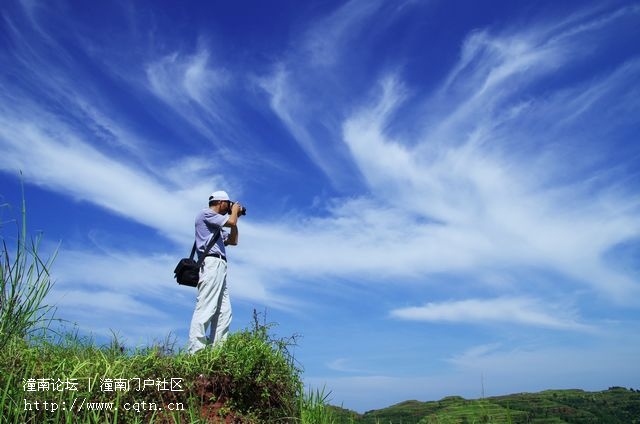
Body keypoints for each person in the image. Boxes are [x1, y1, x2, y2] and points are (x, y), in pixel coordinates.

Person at [188, 190, 243, 353]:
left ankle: (216, 354)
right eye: (228, 203)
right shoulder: (205, 214)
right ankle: (195, 353)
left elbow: (233, 241)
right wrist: (234, 213)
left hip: (220, 265)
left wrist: (236, 217)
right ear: (220, 202)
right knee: (206, 308)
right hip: (211, 263)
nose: (229, 206)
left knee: (224, 312)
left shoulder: (216, 225)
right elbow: (231, 222)